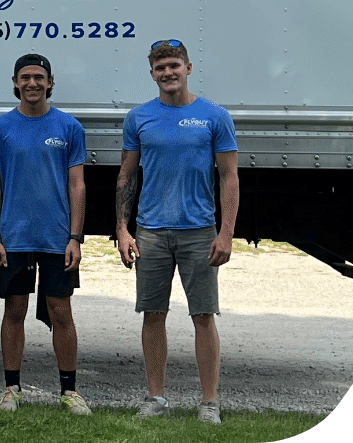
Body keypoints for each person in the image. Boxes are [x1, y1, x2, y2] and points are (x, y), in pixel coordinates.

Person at [115, 39, 239, 425]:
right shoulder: (139, 118)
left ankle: (209, 403)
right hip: (150, 231)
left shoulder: (214, 116)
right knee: (153, 314)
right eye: (160, 68)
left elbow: (229, 176)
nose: (167, 73)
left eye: (174, 65)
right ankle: (155, 397)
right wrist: (121, 228)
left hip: (199, 231)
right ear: (152, 74)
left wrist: (226, 233)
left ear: (188, 68)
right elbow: (126, 175)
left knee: (203, 315)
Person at [0, 54, 92, 415]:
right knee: (15, 309)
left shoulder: (68, 127)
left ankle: (69, 392)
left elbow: (77, 185)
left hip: (57, 238)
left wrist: (75, 237)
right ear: (15, 82)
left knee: (61, 311)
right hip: (14, 237)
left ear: (51, 82)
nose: (32, 83)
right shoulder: (0, 128)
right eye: (25, 77)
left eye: (39, 77)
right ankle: (12, 389)